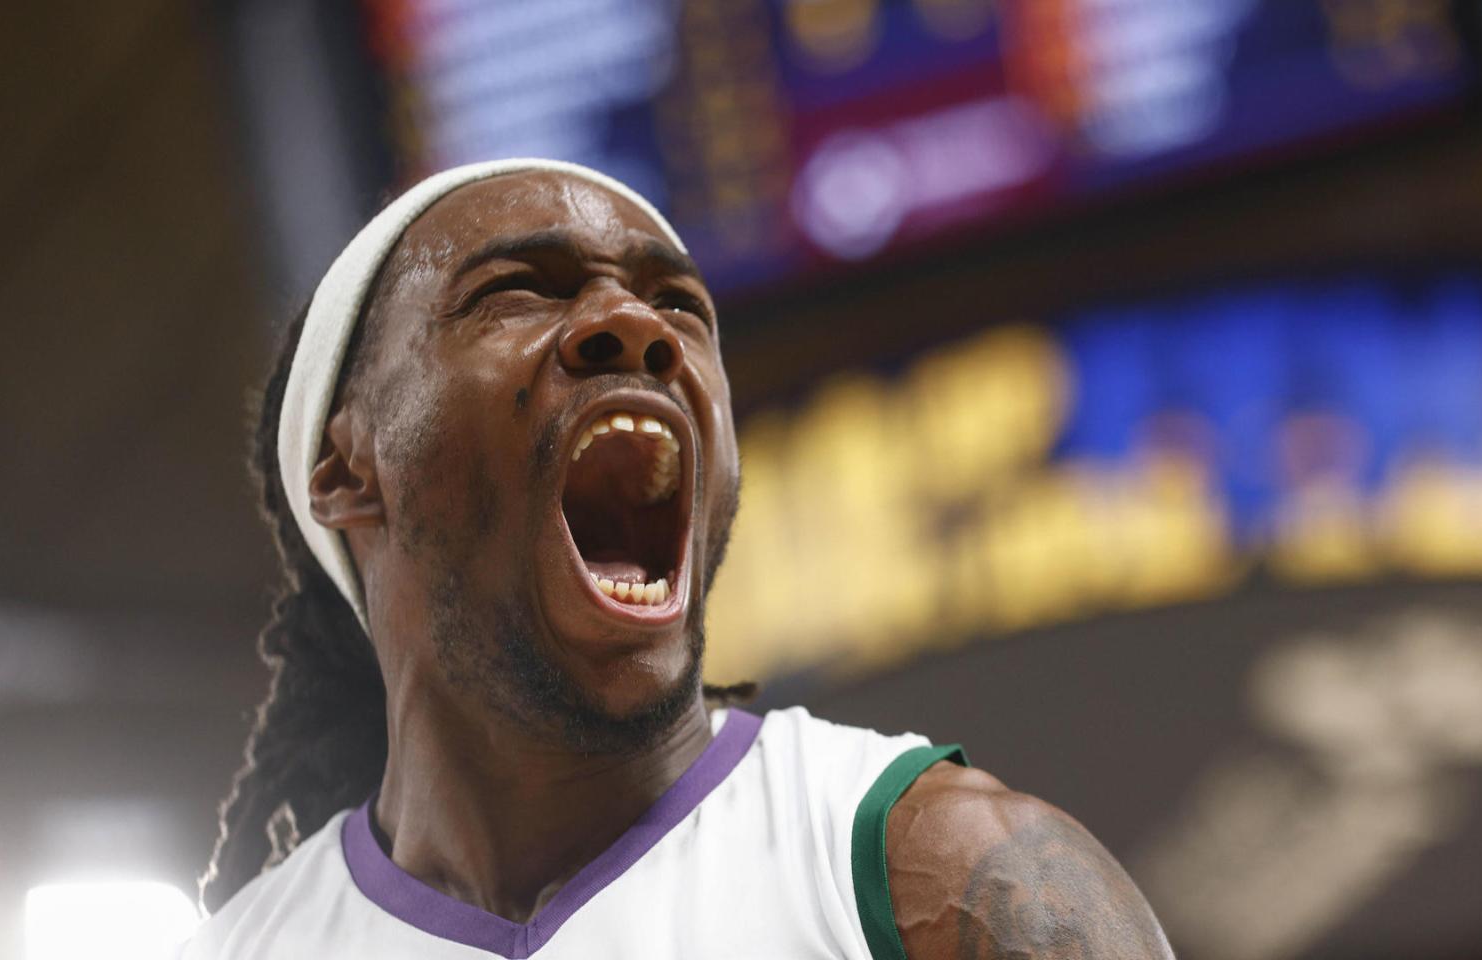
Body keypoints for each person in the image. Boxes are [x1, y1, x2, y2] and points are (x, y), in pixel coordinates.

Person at [182, 159, 1172, 959]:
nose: (639, 328)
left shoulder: (936, 865)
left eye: (681, 308)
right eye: (519, 290)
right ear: (348, 466)